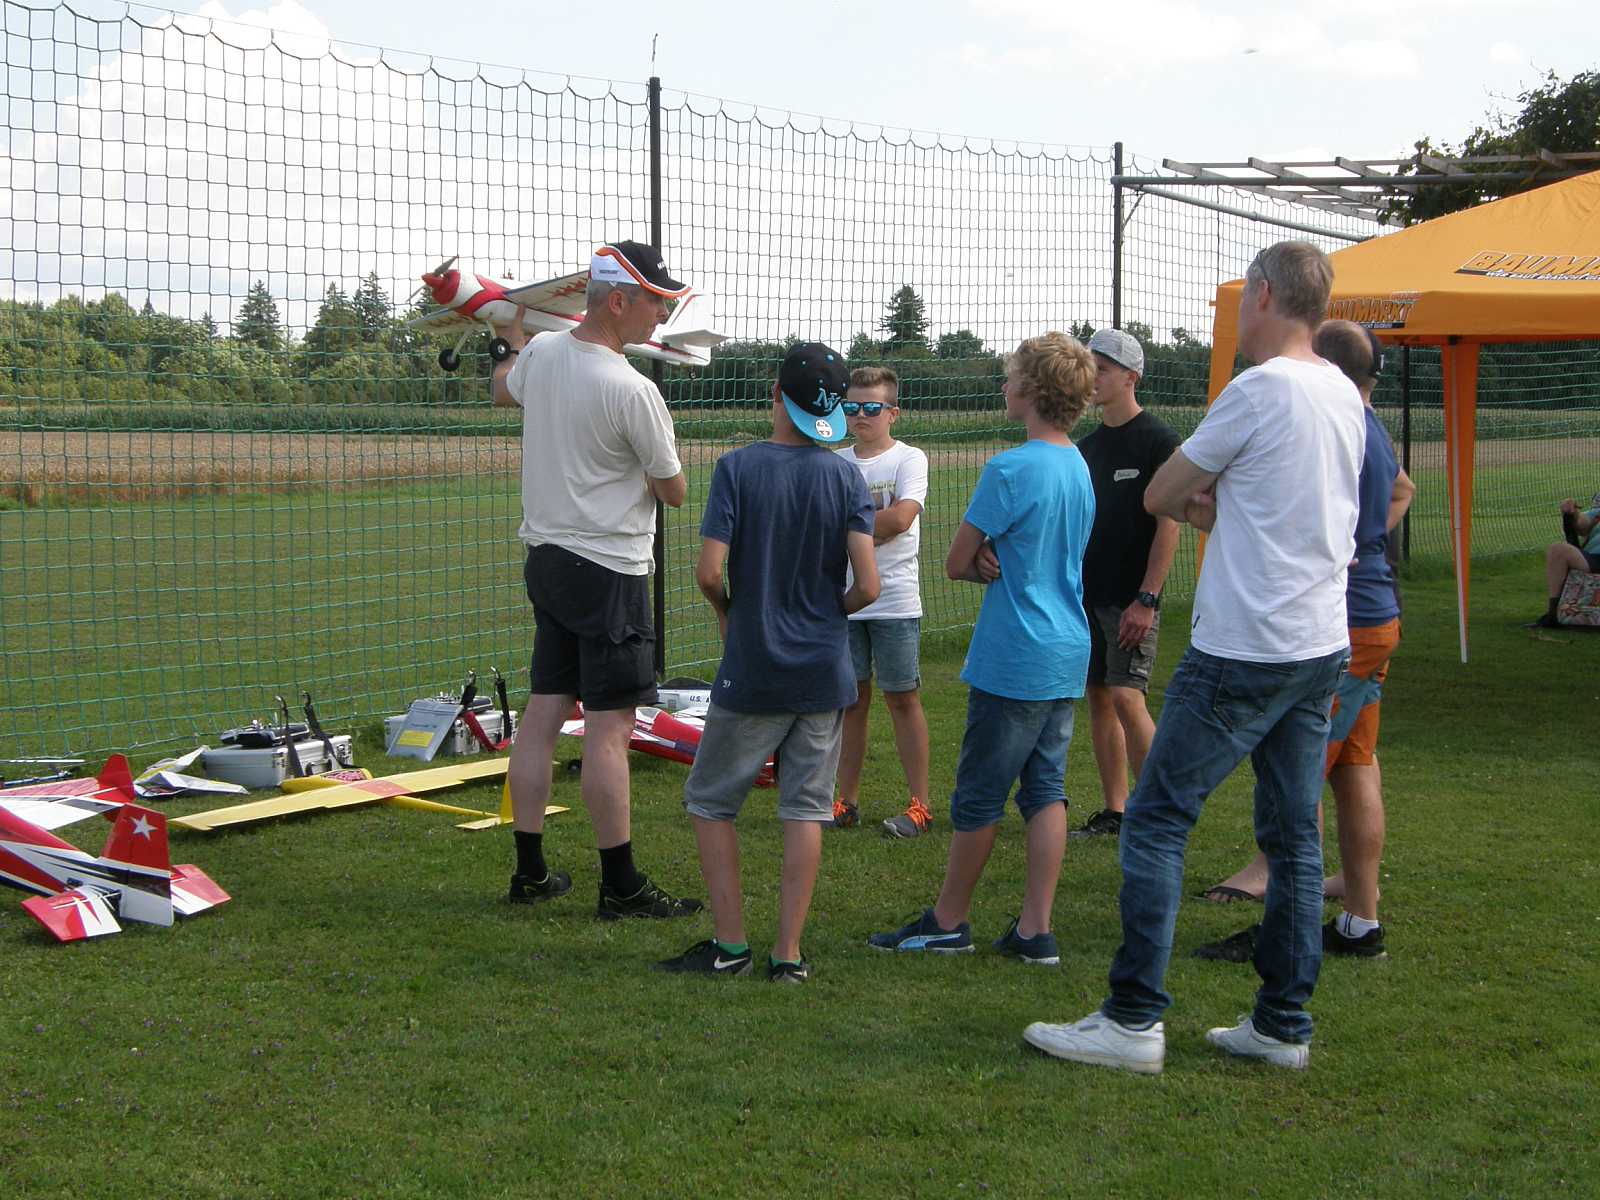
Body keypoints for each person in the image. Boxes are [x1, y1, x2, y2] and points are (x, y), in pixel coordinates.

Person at [1022, 241, 1364, 1072]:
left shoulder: (1259, 390)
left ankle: (1132, 1020)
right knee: (1293, 836)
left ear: (1266, 294)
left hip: (1244, 646)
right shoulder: (1342, 392)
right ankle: (1282, 1025)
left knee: (1155, 822)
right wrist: (1236, 510)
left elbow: (1164, 494)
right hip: (1320, 643)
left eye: (1245, 293)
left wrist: (1219, 507)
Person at [868, 332, 1096, 967]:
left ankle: (947, 923)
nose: (1003, 386)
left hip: (1016, 653)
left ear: (1032, 391)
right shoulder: (1078, 464)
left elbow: (956, 562)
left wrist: (984, 559)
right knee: (1046, 790)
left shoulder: (1011, 469)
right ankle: (1034, 930)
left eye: (1011, 377)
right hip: (1066, 649)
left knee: (978, 795)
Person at [490, 240, 703, 920]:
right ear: (617, 301)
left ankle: (530, 872)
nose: (661, 318)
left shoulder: (543, 355)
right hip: (610, 570)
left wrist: (506, 340)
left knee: (544, 712)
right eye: (655, 303)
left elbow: (503, 387)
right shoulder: (633, 389)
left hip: (548, 562)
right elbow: (674, 491)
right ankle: (621, 884)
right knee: (611, 729)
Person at [657, 343, 879, 983]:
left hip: (754, 667)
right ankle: (789, 955)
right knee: (806, 809)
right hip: (824, 672)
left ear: (776, 395)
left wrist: (729, 613)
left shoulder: (737, 468)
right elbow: (868, 587)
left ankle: (730, 948)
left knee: (711, 801)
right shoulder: (847, 478)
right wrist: (827, 614)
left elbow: (709, 572)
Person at [1195, 319, 1416, 960]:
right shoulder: (1368, 427)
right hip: (1376, 615)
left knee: (1298, 769)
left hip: (1344, 622)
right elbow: (1402, 490)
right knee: (1353, 764)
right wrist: (1360, 539)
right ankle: (1360, 921)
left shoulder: (1336, 426)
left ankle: (1281, 925)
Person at [1070, 328, 1181, 840]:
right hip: (1086, 596)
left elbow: (1169, 524)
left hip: (1131, 599)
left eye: (1104, 369)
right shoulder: (1087, 448)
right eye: (1089, 368)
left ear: (1131, 377)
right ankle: (1116, 811)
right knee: (1100, 696)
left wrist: (1147, 598)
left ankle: (1160, 813)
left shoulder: (1159, 441)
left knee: (1127, 696)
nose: (1093, 378)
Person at [831, 366, 934, 839]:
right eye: (851, 406)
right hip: (846, 602)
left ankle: (920, 805)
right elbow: (879, 521)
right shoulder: (835, 462)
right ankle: (846, 801)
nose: (861, 415)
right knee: (851, 702)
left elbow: (900, 520)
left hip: (895, 602)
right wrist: (870, 523)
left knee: (902, 699)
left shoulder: (910, 459)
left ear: (893, 412)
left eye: (872, 407)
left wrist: (844, 526)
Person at [1533, 495, 1600, 627]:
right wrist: (1573, 512)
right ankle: (1554, 615)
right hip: (1593, 558)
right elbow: (1582, 525)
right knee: (1557, 550)